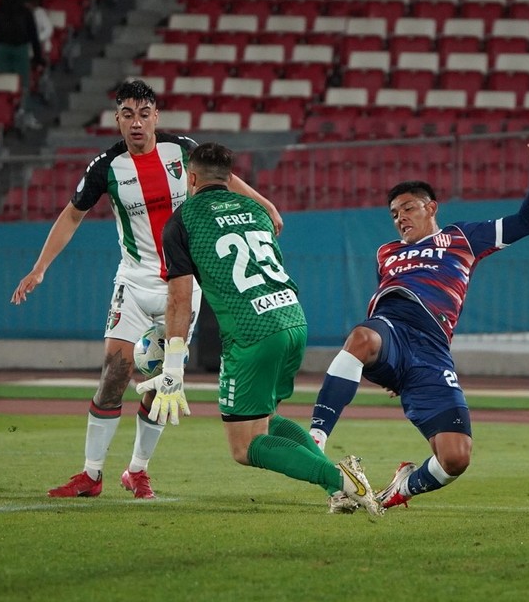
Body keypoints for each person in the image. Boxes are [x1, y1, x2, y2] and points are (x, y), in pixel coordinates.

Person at [11, 80, 283, 499]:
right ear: (117, 120)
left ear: (156, 116)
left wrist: (262, 203)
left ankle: (137, 471)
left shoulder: (182, 150)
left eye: (143, 113)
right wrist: (40, 267)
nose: (136, 123)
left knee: (161, 384)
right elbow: (71, 216)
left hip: (183, 286)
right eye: (127, 114)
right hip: (134, 283)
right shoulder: (107, 166)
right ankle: (91, 474)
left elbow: (222, 178)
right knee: (114, 374)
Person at [308, 123, 529, 513]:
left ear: (431, 207)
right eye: (394, 213)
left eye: (408, 208)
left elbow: (527, 221)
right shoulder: (386, 252)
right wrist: (381, 359)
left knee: (456, 457)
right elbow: (382, 303)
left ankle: (400, 488)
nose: (400, 218)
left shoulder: (463, 238)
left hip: (430, 351)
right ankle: (315, 439)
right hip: (392, 328)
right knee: (362, 337)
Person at [137, 142, 381, 516]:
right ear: (229, 179)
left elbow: (179, 300)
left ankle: (341, 480)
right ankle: (341, 486)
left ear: (193, 177)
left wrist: (172, 366)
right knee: (265, 420)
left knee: (244, 446)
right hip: (292, 319)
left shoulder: (183, 220)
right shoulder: (256, 209)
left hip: (252, 333)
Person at [0, 0, 44, 98]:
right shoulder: (26, 13)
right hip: (21, 50)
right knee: (23, 85)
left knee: (2, 85)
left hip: (2, 50)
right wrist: (38, 57)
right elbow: (34, 37)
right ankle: (22, 110)